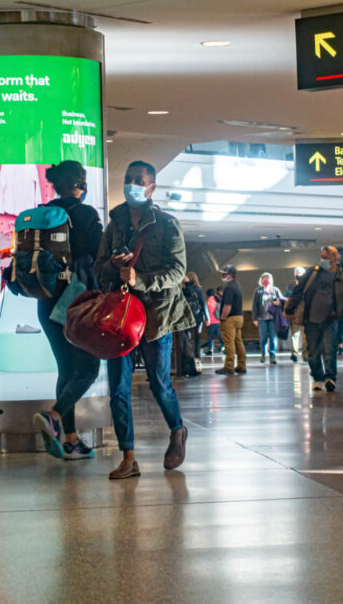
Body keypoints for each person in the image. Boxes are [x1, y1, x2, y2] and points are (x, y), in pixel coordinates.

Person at [94, 160, 193, 480]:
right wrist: (112, 264)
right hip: (120, 317)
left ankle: (177, 431)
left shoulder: (166, 224)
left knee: (159, 383)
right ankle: (128, 457)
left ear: (152, 188)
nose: (132, 184)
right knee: (119, 389)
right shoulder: (115, 225)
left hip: (156, 317)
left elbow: (177, 271)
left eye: (139, 180)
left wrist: (141, 279)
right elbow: (98, 271)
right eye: (128, 178)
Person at [31, 161, 105, 461]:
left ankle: (71, 440)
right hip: (75, 302)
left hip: (46, 301)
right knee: (88, 368)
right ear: (80, 185)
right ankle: (54, 415)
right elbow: (99, 258)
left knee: (66, 367)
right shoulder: (86, 215)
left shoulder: (41, 215)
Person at [286, 246, 343, 392]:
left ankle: (330, 378)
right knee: (313, 352)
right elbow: (298, 289)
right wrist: (290, 308)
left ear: (334, 259)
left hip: (330, 319)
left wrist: (338, 314)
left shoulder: (341, 277)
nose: (322, 260)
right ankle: (317, 377)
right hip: (311, 319)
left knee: (330, 350)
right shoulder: (313, 272)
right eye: (321, 257)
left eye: (326, 258)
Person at [215, 264, 246, 376]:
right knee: (238, 342)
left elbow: (227, 306)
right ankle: (242, 365)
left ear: (230, 275)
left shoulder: (228, 288)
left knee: (229, 343)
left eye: (224, 273)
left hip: (230, 319)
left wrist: (222, 318)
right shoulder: (237, 285)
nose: (223, 275)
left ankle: (229, 367)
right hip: (239, 317)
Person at [178, 272, 207, 376]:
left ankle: (190, 356)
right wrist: (207, 318)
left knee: (187, 336)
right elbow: (203, 304)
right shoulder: (198, 290)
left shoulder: (183, 289)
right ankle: (196, 356)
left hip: (186, 316)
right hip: (198, 316)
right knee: (197, 337)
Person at [252, 272, 283, 365]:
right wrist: (254, 319)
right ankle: (263, 354)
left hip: (273, 318)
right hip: (262, 318)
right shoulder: (258, 291)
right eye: (264, 278)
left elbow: (281, 301)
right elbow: (255, 305)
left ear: (271, 280)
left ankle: (272, 356)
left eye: (267, 278)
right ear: (261, 280)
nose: (266, 280)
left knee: (273, 337)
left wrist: (278, 302)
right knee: (263, 337)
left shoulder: (275, 290)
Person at [285, 267, 307, 362]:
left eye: (299, 273)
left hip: (305, 313)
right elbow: (287, 299)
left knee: (305, 334)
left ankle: (305, 354)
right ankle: (294, 353)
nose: (297, 274)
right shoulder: (290, 286)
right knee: (294, 334)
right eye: (296, 273)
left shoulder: (308, 285)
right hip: (294, 313)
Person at [204, 286, 223, 355]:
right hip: (219, 320)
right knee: (220, 336)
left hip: (212, 321)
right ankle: (224, 348)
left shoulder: (211, 299)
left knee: (210, 336)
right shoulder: (218, 298)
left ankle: (210, 349)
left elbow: (210, 309)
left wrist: (207, 318)